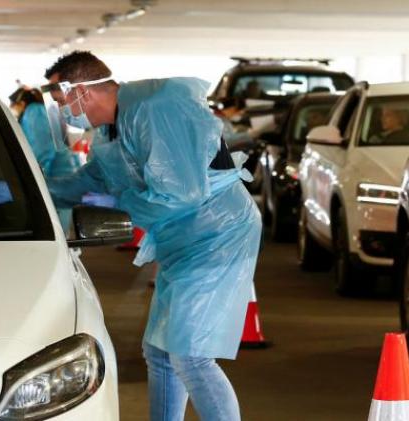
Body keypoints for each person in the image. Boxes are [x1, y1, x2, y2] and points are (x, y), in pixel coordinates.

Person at [41, 51, 262, 421]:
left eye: (63, 102)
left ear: (82, 91)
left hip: (217, 234)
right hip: (182, 240)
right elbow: (90, 180)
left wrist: (119, 201)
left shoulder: (156, 108)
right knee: (160, 351)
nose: (64, 112)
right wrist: (36, 189)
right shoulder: (111, 129)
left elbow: (180, 194)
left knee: (190, 355)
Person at [9, 86, 80, 231]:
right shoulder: (43, 110)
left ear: (21, 104)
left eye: (13, 106)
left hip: (55, 175)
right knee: (59, 229)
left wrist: (34, 180)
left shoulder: (34, 111)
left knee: (54, 228)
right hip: (63, 174)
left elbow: (44, 149)